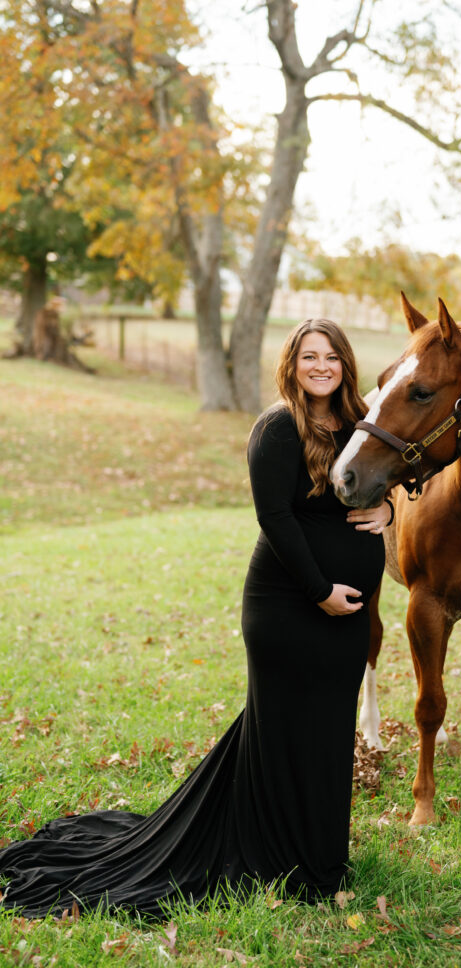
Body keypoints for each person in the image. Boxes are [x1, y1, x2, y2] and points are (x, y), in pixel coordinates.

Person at [0, 319, 390, 918]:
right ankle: (288, 862)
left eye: (331, 356)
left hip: (348, 616)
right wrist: (319, 591)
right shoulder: (278, 426)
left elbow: (386, 477)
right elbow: (276, 520)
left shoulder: (362, 420)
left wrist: (387, 509)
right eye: (309, 356)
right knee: (289, 727)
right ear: (292, 363)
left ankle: (319, 855)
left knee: (329, 730)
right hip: (288, 607)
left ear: (345, 364)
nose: (321, 366)